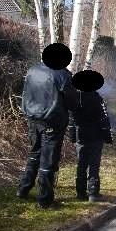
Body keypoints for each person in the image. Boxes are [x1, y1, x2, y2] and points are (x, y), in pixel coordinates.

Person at [18, 43, 73, 208]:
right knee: (48, 160)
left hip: (32, 118)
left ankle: (23, 189)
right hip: (52, 121)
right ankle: (45, 200)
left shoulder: (32, 70)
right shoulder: (62, 75)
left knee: (34, 153)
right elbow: (71, 102)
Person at [67, 70, 113, 203]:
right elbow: (104, 120)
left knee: (81, 163)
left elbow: (71, 120)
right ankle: (93, 192)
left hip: (81, 135)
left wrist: (72, 137)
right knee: (94, 164)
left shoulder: (76, 98)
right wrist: (108, 137)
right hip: (96, 136)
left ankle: (80, 192)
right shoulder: (97, 98)